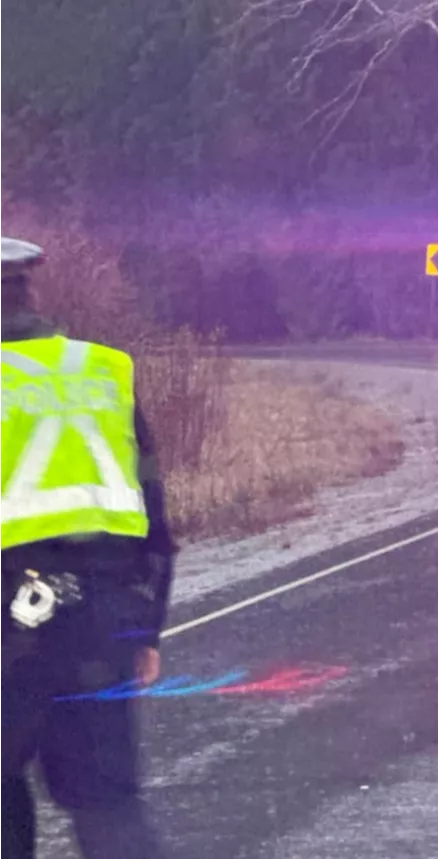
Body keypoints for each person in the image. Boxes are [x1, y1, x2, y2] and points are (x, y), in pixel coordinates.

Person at [0, 236, 176, 858]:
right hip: (101, 624)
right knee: (108, 805)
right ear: (31, 289)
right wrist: (146, 630)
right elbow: (152, 517)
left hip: (6, 627)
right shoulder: (100, 371)